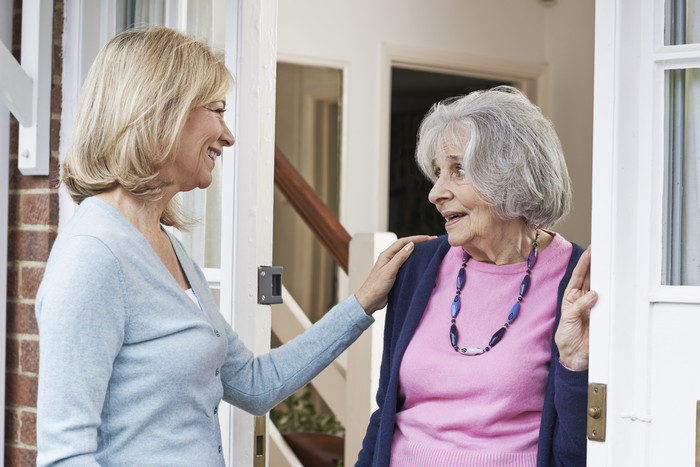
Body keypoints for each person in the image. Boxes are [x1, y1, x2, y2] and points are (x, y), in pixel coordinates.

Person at [35, 26, 427, 466]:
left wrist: (363, 302)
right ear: (160, 111)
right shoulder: (94, 254)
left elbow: (256, 385)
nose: (228, 135)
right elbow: (64, 456)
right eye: (218, 110)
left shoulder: (167, 245)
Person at [357, 86, 598, 467]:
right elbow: (385, 410)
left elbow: (582, 449)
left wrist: (573, 368)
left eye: (459, 170)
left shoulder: (579, 280)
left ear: (512, 175)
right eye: (437, 173)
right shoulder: (416, 267)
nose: (436, 192)